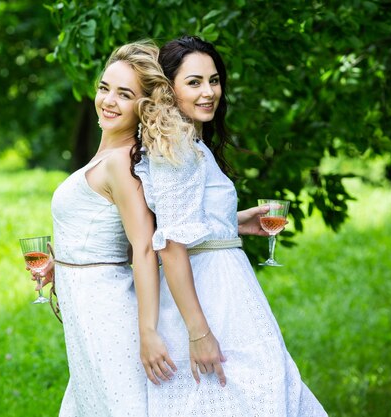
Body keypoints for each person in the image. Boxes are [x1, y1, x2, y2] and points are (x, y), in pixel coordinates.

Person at [134, 36, 328, 416]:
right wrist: (199, 332)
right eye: (194, 82)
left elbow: (188, 222)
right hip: (210, 292)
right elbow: (172, 245)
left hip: (224, 283)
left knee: (261, 389)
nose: (209, 92)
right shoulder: (177, 146)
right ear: (169, 88)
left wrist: (234, 224)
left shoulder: (191, 142)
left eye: (214, 80)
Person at [31, 40, 187, 416]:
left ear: (144, 106)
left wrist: (148, 332)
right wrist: (61, 266)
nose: (108, 101)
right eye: (104, 88)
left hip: (107, 311)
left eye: (124, 94)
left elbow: (145, 246)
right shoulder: (106, 157)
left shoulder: (121, 162)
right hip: (84, 306)